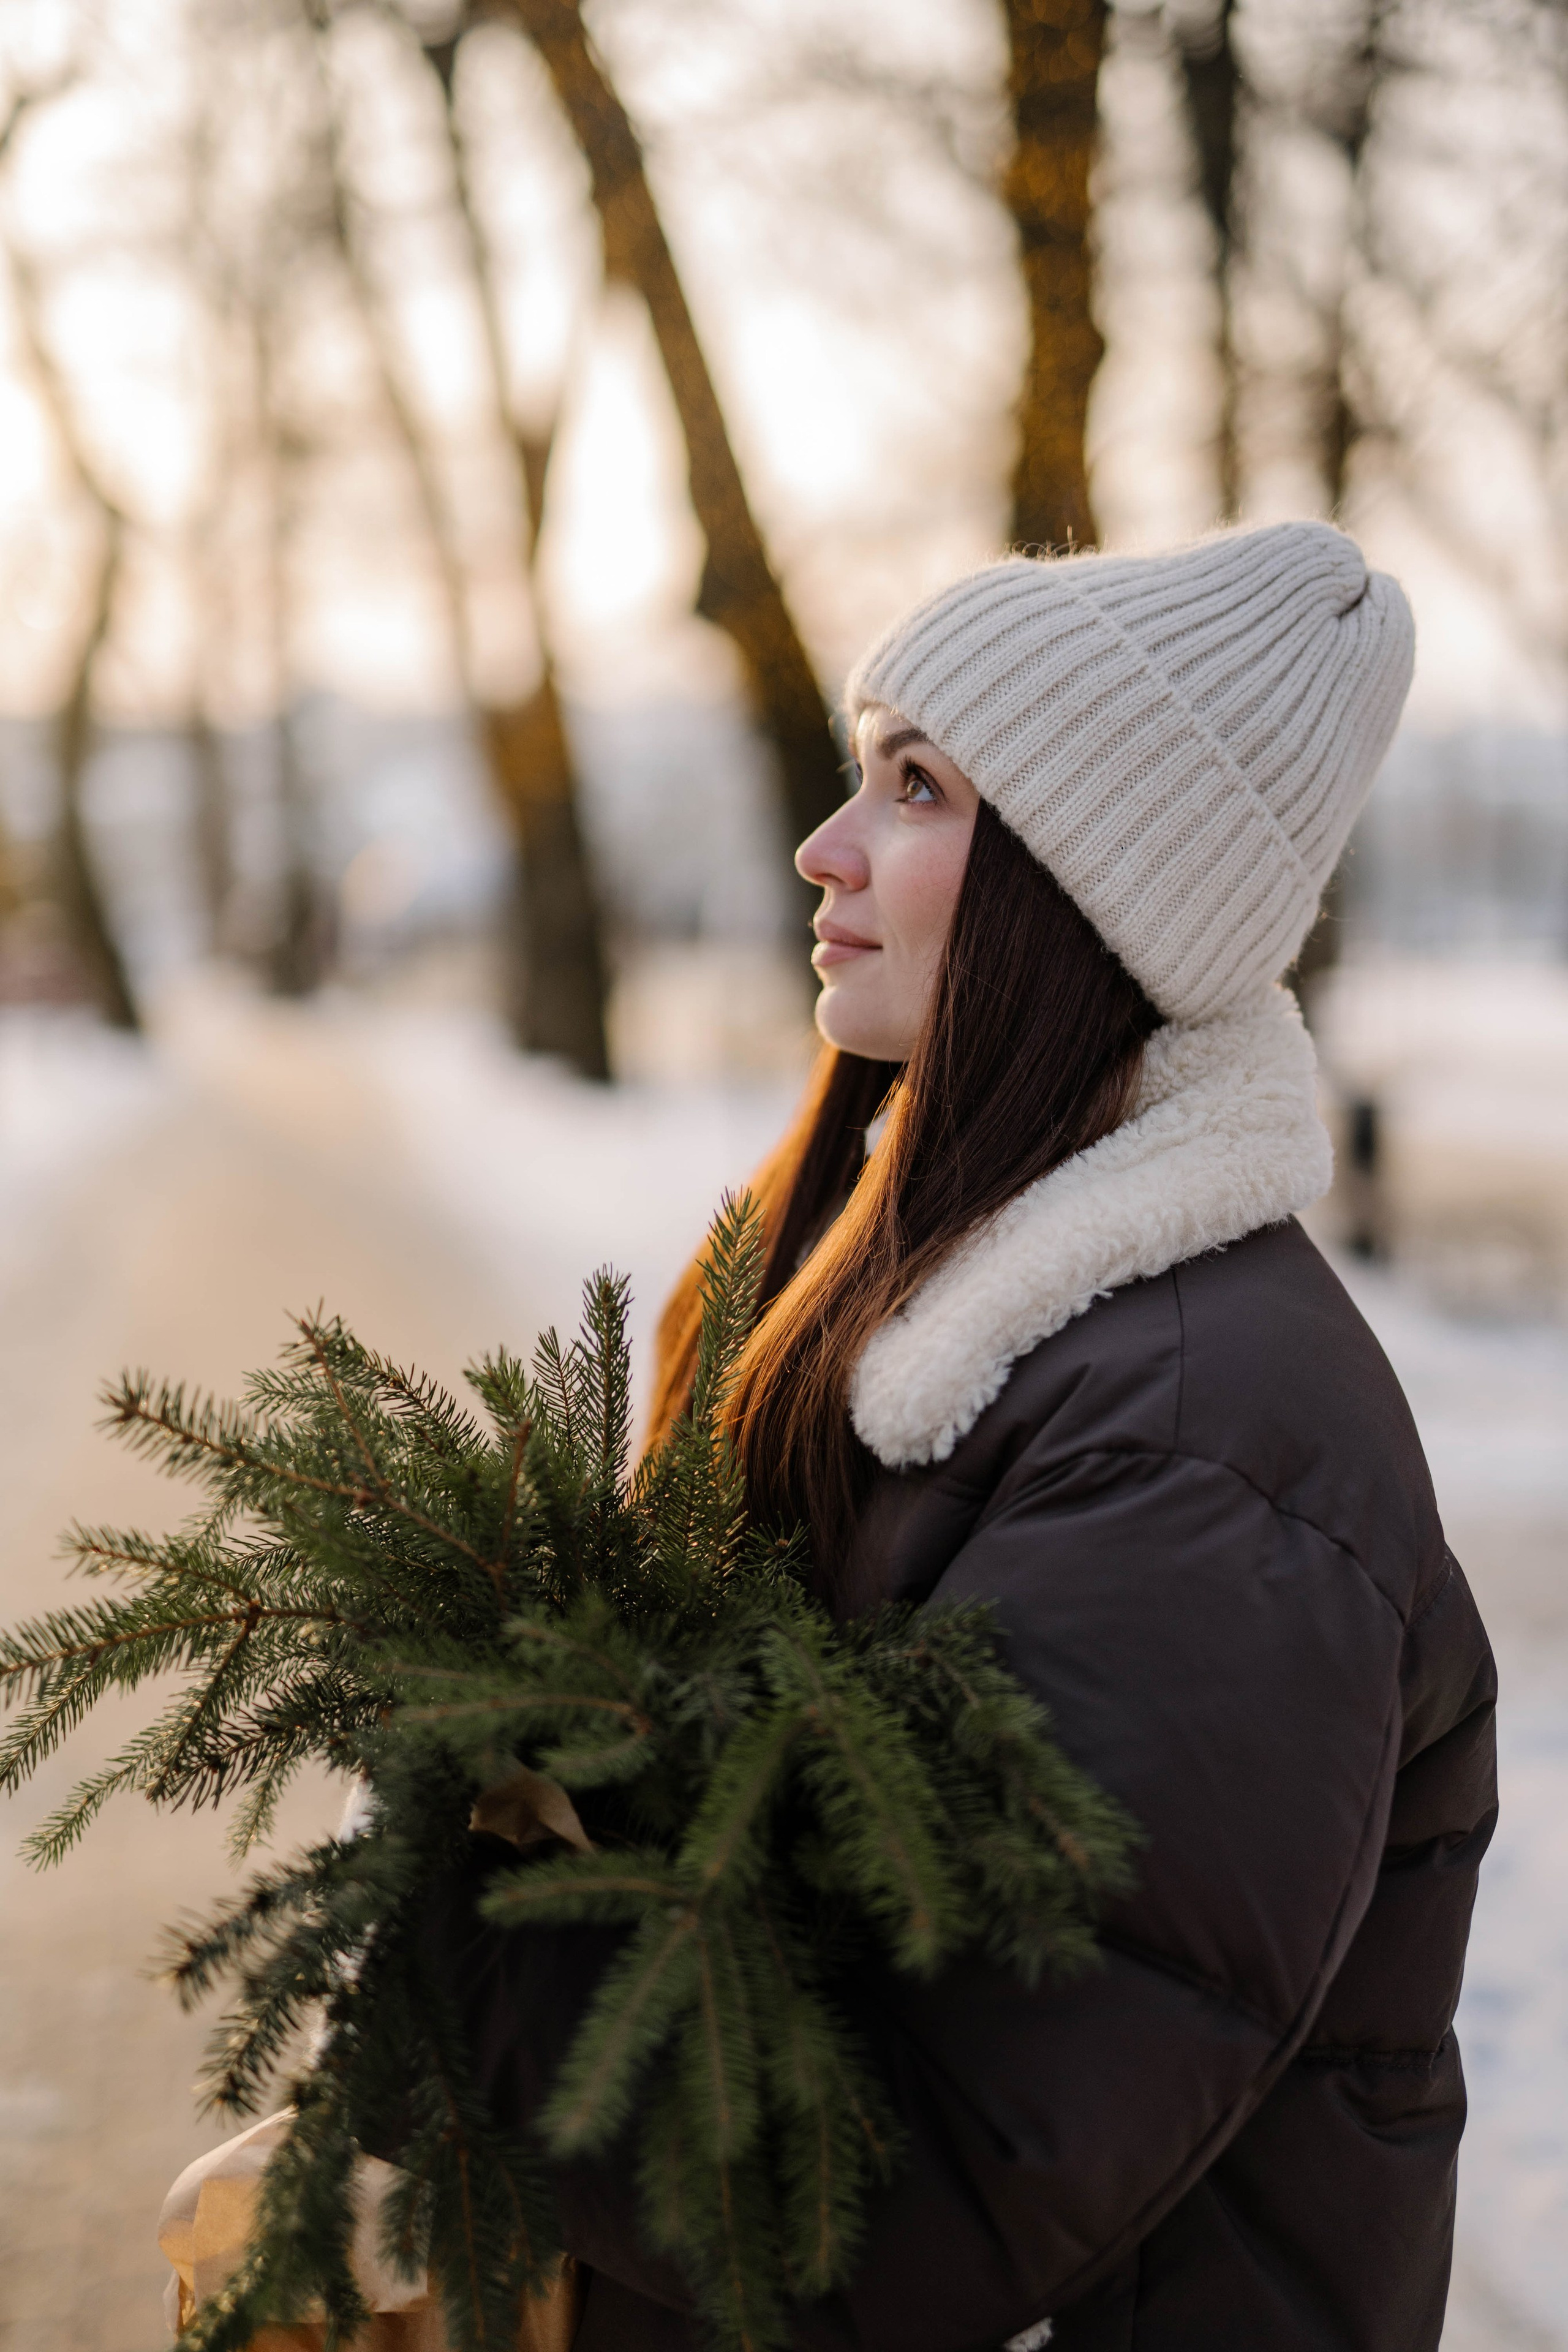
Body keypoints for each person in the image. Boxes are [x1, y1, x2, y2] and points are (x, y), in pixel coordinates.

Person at [453, 522, 1497, 2352]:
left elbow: (918, 2197)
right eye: (863, 770)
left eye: (919, 786)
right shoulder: (923, 1288)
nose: (825, 845)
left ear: (1091, 890)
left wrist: (458, 1956)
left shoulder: (1210, 1452)